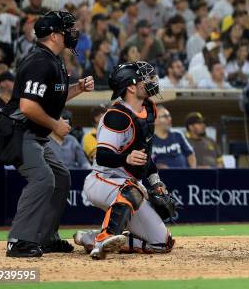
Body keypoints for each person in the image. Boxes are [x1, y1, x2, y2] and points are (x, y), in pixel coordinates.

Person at [0, 11, 94, 257]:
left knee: (61, 177)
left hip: (34, 134)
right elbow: (28, 107)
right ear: (52, 35)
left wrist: (78, 88)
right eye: (66, 30)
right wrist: (55, 124)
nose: (72, 33)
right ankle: (19, 241)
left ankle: (46, 238)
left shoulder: (54, 60)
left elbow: (54, 96)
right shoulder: (39, 61)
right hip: (18, 132)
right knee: (42, 179)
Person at [73, 61, 176, 259]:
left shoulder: (149, 108)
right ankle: (105, 239)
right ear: (130, 86)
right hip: (102, 180)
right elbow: (102, 156)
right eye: (145, 78)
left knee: (162, 244)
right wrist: (126, 157)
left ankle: (91, 239)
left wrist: (156, 183)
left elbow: (145, 156)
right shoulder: (117, 116)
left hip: (130, 188)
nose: (151, 81)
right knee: (131, 189)